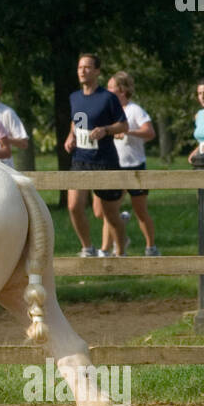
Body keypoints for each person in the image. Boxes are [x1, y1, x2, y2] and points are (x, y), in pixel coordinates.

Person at [63, 54, 128, 257]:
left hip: (104, 161)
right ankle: (87, 248)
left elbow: (123, 125)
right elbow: (76, 121)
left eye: (88, 67)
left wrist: (106, 130)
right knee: (73, 206)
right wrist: (70, 137)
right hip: (80, 159)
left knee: (110, 214)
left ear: (97, 71)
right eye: (80, 67)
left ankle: (121, 253)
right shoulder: (74, 97)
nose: (82, 71)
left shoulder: (108, 98)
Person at [98, 72, 159, 256]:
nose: (106, 92)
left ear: (122, 90)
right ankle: (109, 246)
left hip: (135, 166)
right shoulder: (108, 111)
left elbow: (149, 132)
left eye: (111, 88)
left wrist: (128, 132)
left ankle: (150, 248)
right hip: (114, 166)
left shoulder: (134, 110)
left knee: (140, 211)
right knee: (106, 212)